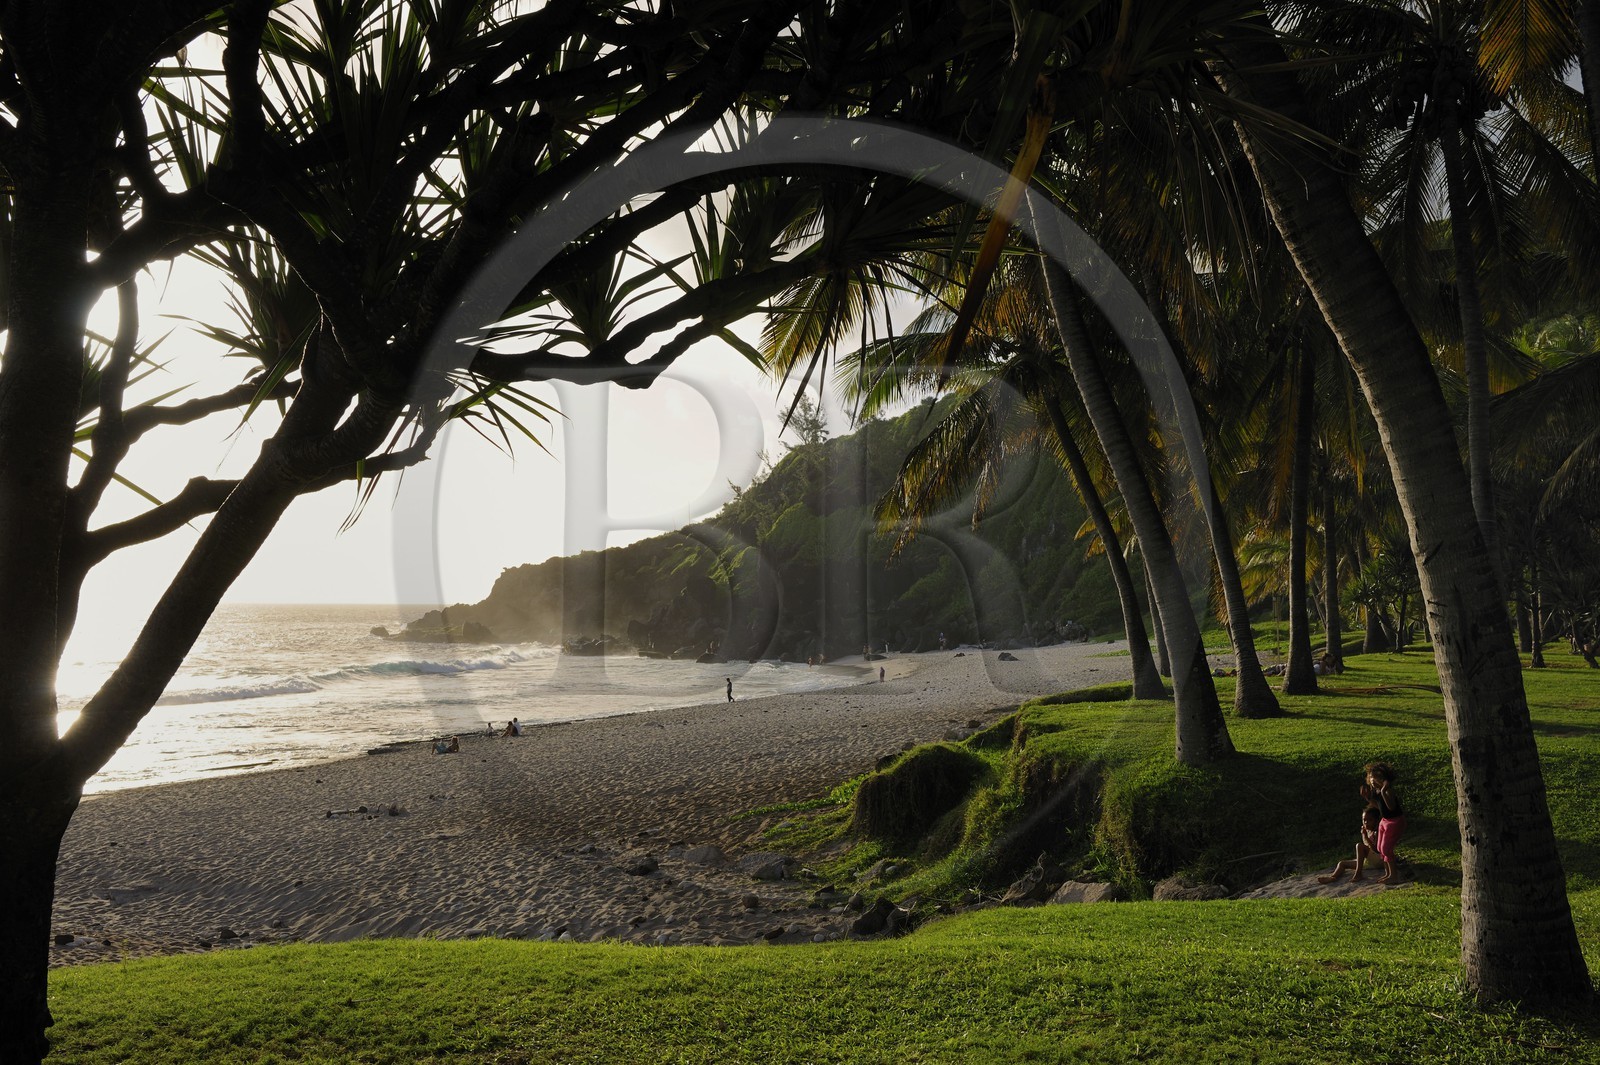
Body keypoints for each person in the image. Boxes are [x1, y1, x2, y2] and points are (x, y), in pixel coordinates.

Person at [1363, 761, 1405, 883]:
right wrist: (1368, 798)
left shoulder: (1387, 791)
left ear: (1385, 779)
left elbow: (1391, 807)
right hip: (1385, 821)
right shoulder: (1377, 791)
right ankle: (1388, 874)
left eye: (1376, 777)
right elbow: (1379, 807)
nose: (1373, 780)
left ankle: (1394, 875)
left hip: (1395, 822)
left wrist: (1383, 791)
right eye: (1371, 777)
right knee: (1381, 848)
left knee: (1386, 849)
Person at [1317, 805, 1380, 883]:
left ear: (1376, 821)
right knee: (1342, 863)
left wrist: (1366, 837)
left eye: (1370, 820)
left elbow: (1376, 850)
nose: (1366, 822)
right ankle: (1333, 877)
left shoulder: (1377, 832)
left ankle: (1358, 874)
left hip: (1378, 860)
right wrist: (1364, 835)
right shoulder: (1365, 831)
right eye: (1364, 820)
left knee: (1359, 845)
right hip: (1369, 861)